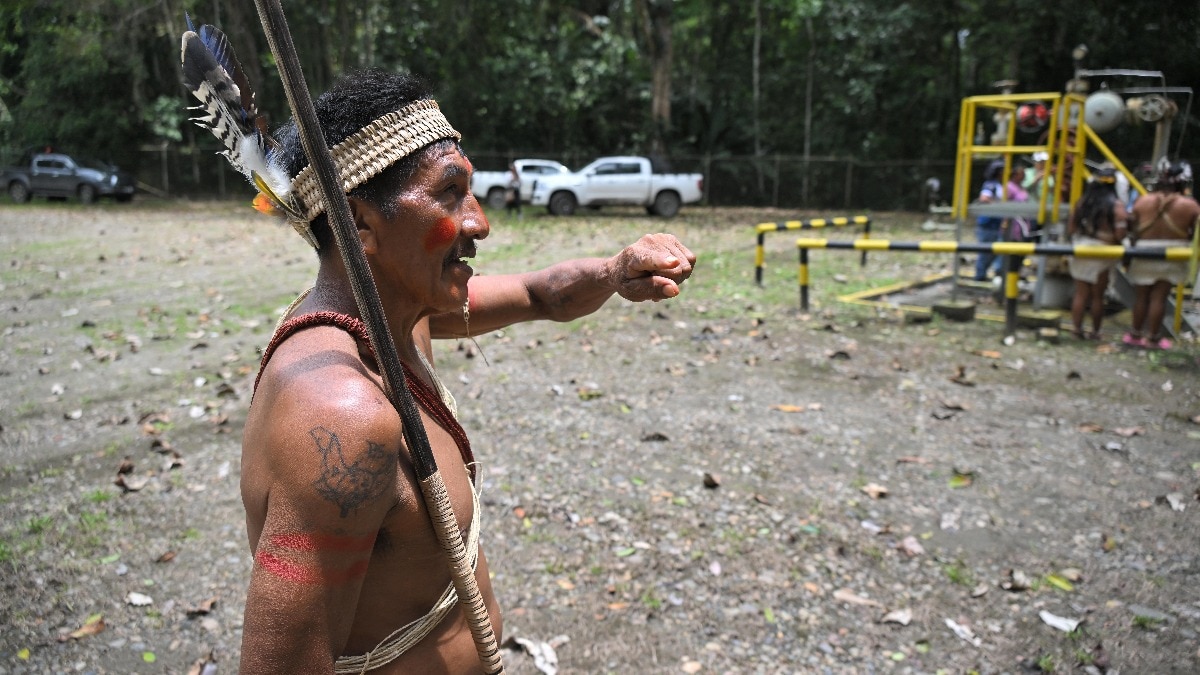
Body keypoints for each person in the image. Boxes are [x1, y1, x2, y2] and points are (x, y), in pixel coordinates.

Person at [239, 69, 695, 673]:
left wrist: (617, 271)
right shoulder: (338, 414)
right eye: (449, 192)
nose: (479, 222)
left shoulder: (405, 312)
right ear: (359, 225)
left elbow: (542, 295)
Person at [1124, 161, 1199, 349]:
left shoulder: (1143, 201)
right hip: (1173, 254)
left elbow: (1131, 227)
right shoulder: (1189, 205)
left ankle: (1135, 334)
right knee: (1159, 296)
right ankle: (1153, 338)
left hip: (1143, 250)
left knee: (1141, 296)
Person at [1066, 168, 1127, 339]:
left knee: (1080, 293)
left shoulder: (1082, 202)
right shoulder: (1116, 205)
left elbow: (1071, 228)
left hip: (1081, 249)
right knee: (1097, 296)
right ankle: (1095, 331)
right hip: (1102, 252)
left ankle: (1076, 330)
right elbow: (1120, 234)